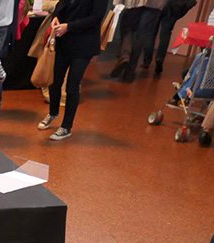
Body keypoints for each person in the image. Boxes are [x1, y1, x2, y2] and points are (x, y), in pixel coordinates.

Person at [36, 0, 109, 140]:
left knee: (72, 85)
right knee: (54, 80)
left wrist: (69, 27)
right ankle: (53, 112)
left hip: (84, 44)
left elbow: (96, 18)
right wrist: (55, 17)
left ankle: (66, 126)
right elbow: (61, 5)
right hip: (64, 41)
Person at [110, 0, 166, 82]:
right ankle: (129, 71)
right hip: (155, 4)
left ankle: (125, 55)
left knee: (127, 28)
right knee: (142, 35)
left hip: (134, 3)